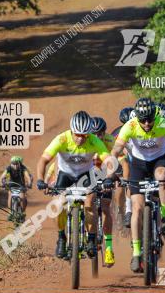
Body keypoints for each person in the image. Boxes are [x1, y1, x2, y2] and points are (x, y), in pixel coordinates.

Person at [107, 97, 165, 273]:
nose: (146, 123)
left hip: (158, 161)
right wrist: (109, 173)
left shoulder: (164, 123)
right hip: (138, 165)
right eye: (142, 120)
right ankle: (136, 253)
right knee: (136, 209)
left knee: (162, 176)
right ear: (137, 118)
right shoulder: (130, 126)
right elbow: (116, 150)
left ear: (154, 116)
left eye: (149, 119)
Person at [35, 111, 115, 259]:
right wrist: (41, 180)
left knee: (90, 202)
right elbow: (43, 160)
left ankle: (91, 238)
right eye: (77, 134)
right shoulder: (61, 139)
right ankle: (61, 237)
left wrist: (109, 178)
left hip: (86, 175)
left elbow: (109, 160)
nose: (80, 138)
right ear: (71, 131)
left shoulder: (94, 141)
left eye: (84, 135)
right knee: (58, 205)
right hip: (65, 175)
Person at [89, 116, 117, 266]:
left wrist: (112, 178)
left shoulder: (110, 141)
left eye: (100, 133)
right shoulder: (86, 141)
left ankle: (109, 249)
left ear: (104, 132)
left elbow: (118, 158)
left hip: (106, 175)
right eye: (94, 133)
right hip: (88, 176)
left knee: (105, 207)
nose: (97, 136)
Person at [0, 156, 33, 221]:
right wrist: (2, 184)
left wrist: (29, 183)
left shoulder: (23, 168)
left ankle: (22, 212)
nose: (15, 166)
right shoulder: (9, 168)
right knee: (10, 195)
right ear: (11, 163)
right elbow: (2, 177)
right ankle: (10, 212)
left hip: (21, 185)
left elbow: (28, 177)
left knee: (22, 197)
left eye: (17, 164)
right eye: (13, 164)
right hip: (12, 185)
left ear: (20, 164)